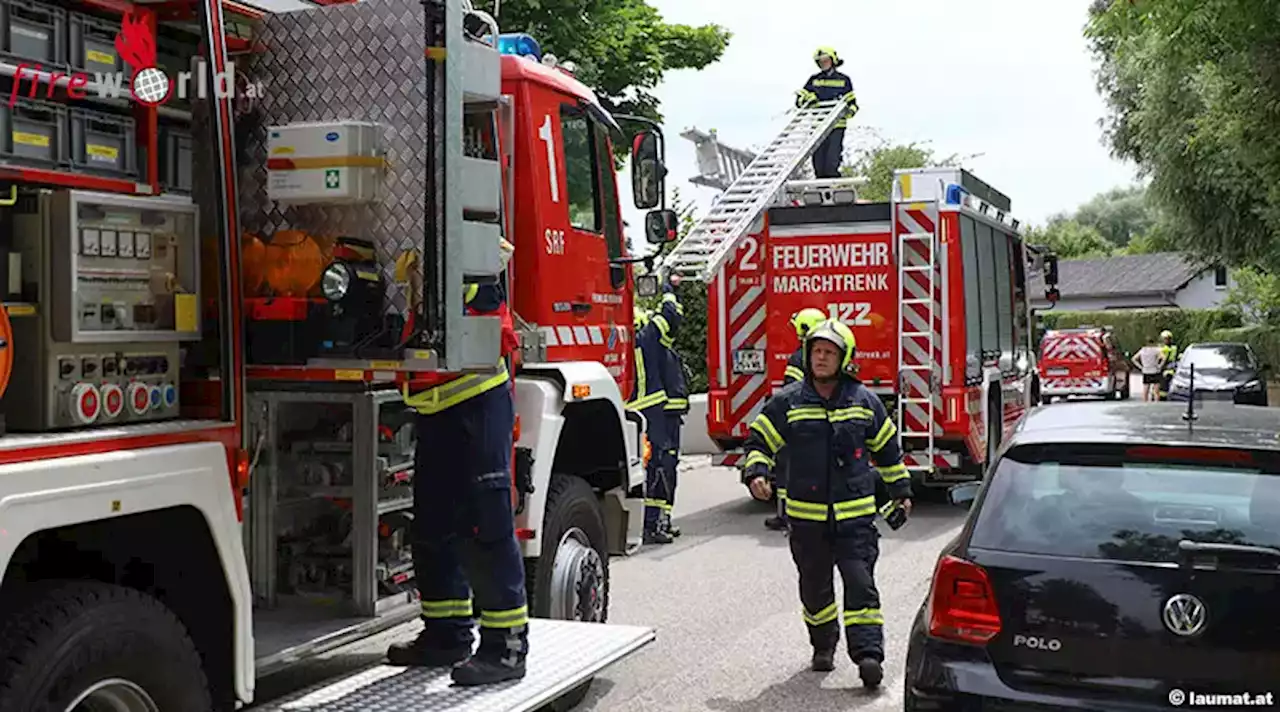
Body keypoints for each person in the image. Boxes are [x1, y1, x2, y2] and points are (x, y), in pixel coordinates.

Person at [740, 319, 911, 688]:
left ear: (843, 359)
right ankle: (823, 646)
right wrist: (756, 473)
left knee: (860, 585)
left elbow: (888, 451)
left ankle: (868, 656)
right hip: (807, 521)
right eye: (816, 351)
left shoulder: (864, 402)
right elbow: (758, 442)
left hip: (856, 521)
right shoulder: (788, 402)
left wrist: (901, 492)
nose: (820, 358)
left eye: (828, 352)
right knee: (815, 589)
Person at [388, 238, 528, 686]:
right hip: (437, 409)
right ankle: (446, 633)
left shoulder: (476, 251)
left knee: (483, 527)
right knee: (432, 524)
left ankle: (505, 647)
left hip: (476, 401)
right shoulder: (423, 257)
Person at [764, 307, 828, 532]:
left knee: (786, 467)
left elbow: (790, 392)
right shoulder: (827, 355)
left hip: (798, 421)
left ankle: (785, 515)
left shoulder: (798, 357)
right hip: (820, 423)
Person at [795, 47, 858, 179]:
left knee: (831, 162)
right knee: (818, 164)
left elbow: (852, 103)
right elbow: (799, 102)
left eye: (825, 60)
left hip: (836, 126)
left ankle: (834, 187)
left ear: (833, 60)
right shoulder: (814, 80)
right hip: (818, 127)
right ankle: (820, 190)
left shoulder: (844, 80)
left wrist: (849, 111)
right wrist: (808, 99)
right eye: (820, 61)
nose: (823, 64)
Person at [658, 279, 687, 539]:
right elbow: (671, 316)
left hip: (666, 415)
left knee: (664, 468)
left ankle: (661, 520)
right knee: (663, 468)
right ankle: (656, 523)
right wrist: (669, 290)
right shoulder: (651, 340)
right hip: (663, 416)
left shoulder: (654, 347)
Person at [1132, 337, 1167, 402]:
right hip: (1155, 370)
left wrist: (1141, 367)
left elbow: (1134, 359)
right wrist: (1160, 366)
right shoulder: (1156, 350)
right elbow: (1164, 358)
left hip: (1146, 371)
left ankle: (1145, 403)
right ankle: (1156, 404)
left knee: (1146, 390)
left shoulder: (1143, 350)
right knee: (1156, 391)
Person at [1157, 329, 1178, 400]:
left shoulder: (1162, 348)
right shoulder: (1173, 348)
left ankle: (1163, 395)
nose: (1166, 340)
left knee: (1163, 381)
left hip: (1167, 366)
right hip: (1168, 366)